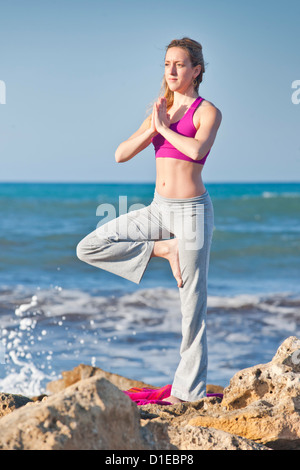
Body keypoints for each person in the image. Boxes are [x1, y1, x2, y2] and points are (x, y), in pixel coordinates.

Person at [77, 37, 222, 404]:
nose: (171, 71)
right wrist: (153, 127)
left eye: (179, 64)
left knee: (193, 305)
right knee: (89, 246)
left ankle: (188, 394)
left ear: (196, 71)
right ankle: (163, 249)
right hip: (158, 209)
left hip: (191, 212)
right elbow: (120, 154)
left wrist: (166, 129)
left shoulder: (207, 112)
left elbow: (196, 150)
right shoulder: (159, 110)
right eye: (166, 64)